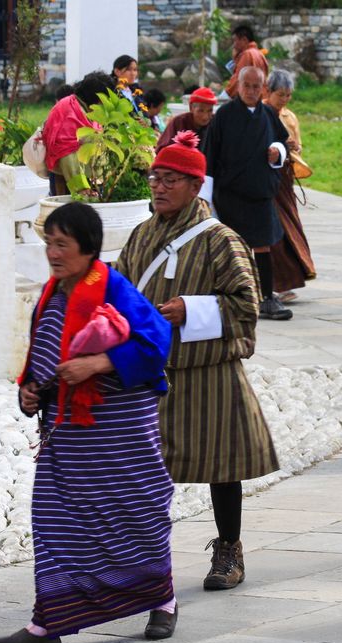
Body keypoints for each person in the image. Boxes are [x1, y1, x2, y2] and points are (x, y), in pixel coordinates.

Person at [0, 202, 176, 643]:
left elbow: (157, 343)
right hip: (69, 438)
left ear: (88, 248)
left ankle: (163, 599)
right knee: (55, 522)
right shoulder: (52, 292)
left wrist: (100, 361)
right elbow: (45, 356)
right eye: (49, 242)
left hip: (120, 438)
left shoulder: (114, 289)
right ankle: (47, 625)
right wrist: (29, 392)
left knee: (136, 515)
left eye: (63, 244)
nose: (53, 253)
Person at [116, 132, 280, 591]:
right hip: (153, 374)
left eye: (171, 180)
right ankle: (143, 554)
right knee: (144, 470)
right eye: (156, 178)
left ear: (194, 186)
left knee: (222, 467)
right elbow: (121, 293)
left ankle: (229, 550)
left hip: (210, 374)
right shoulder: (141, 235)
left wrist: (192, 309)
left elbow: (248, 303)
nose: (159, 187)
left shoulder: (220, 240)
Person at [202, 66, 292, 320]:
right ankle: (230, 297)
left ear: (263, 88)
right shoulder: (224, 115)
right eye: (247, 86)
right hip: (230, 193)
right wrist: (205, 197)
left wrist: (277, 151)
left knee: (263, 245)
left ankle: (266, 297)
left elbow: (282, 141)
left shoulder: (268, 115)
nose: (251, 91)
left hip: (261, 192)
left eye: (256, 87)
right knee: (231, 247)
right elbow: (209, 154)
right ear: (238, 86)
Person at [264, 70, 317, 304]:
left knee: (289, 227)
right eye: (280, 94)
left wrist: (293, 147)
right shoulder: (261, 114)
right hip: (264, 179)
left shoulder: (290, 117)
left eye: (288, 95)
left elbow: (298, 149)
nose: (284, 99)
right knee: (272, 230)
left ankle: (288, 282)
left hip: (284, 178)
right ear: (269, 91)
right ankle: (272, 284)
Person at [41, 71, 111, 196]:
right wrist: (81, 188)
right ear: (97, 97)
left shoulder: (81, 107)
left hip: (84, 178)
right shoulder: (69, 111)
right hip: (68, 181)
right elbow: (67, 152)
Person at [157, 86, 217, 151]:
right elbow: (163, 150)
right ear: (191, 108)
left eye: (209, 111)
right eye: (200, 111)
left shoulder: (215, 122)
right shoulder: (179, 122)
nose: (205, 117)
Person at [225, 24, 269, 99]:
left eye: (235, 40)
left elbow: (237, 80)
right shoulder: (259, 54)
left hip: (250, 98)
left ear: (244, 40)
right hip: (260, 97)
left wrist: (225, 94)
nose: (234, 45)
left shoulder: (247, 54)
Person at [112, 55, 148, 120]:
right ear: (117, 71)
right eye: (128, 70)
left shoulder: (137, 91)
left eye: (135, 70)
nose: (133, 73)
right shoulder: (113, 92)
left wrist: (144, 121)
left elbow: (145, 114)